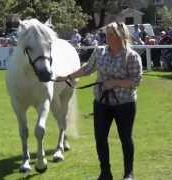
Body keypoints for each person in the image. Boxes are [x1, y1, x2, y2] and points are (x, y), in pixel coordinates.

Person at [56, 21, 142, 180]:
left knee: (125, 138)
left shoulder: (132, 56)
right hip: (101, 103)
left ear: (120, 36)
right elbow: (87, 69)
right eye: (106, 34)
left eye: (111, 34)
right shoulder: (100, 52)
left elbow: (136, 81)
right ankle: (105, 173)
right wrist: (67, 77)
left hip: (125, 104)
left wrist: (114, 83)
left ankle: (128, 174)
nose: (107, 37)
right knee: (100, 138)